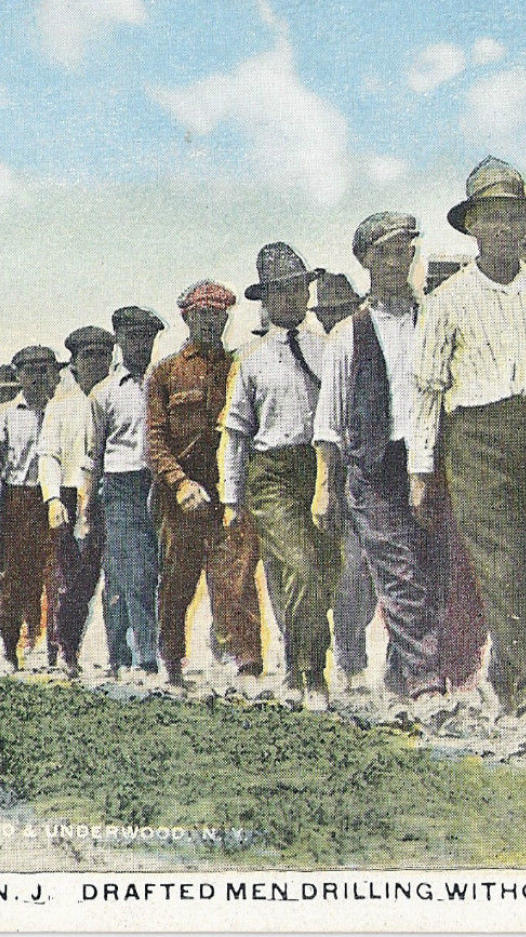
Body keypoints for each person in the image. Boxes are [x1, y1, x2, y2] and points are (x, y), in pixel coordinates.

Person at [411, 156, 526, 752]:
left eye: (514, 217)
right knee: (501, 565)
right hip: (476, 438)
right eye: (492, 218)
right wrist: (420, 469)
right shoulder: (447, 300)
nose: (504, 229)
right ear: (473, 227)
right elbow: (427, 389)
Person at [315, 212, 455, 712]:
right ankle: (425, 683)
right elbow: (330, 423)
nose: (398, 263)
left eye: (405, 252)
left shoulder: (435, 316)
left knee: (430, 570)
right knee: (399, 573)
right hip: (374, 469)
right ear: (367, 262)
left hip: (431, 464)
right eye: (387, 254)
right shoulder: (349, 334)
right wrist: (325, 487)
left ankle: (399, 678)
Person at [221, 244, 340, 710]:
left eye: (297, 289)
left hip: (321, 467)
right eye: (279, 292)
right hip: (271, 475)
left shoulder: (328, 349)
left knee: (322, 574)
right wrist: (232, 499)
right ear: (265, 301)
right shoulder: (251, 360)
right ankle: (311, 673)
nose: (290, 299)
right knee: (301, 569)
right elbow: (236, 435)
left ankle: (299, 661)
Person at [147, 280, 261, 689]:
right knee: (178, 583)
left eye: (217, 315)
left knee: (237, 580)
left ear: (226, 318)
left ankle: (247, 664)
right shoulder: (165, 373)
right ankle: (173, 662)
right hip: (182, 499)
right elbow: (156, 442)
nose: (209, 323)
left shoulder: (239, 368)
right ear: (187, 318)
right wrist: (180, 484)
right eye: (201, 315)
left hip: (227, 490)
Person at [86, 306, 167, 677]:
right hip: (120, 486)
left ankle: (125, 652)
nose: (141, 346)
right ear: (119, 340)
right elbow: (95, 453)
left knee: (145, 571)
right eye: (134, 338)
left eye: (147, 338)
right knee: (133, 571)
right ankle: (143, 656)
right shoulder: (104, 393)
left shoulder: (161, 380)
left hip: (158, 482)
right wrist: (89, 504)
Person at [312, 270, 379, 689]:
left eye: (342, 310)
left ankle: (353, 648)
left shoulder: (360, 342)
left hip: (360, 466)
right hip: (315, 472)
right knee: (337, 571)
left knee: (363, 572)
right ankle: (343, 654)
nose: (334, 319)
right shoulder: (310, 349)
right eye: (327, 313)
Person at [0, 346, 60, 670]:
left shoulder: (62, 410)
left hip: (56, 499)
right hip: (19, 500)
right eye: (31, 371)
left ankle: (54, 649)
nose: (39, 378)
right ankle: (10, 647)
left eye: (45, 371)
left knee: (56, 576)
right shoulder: (5, 416)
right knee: (15, 577)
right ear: (19, 376)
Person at [48, 325, 115, 677]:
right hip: (72, 495)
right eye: (88, 356)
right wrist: (53, 499)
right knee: (75, 580)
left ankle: (121, 655)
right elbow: (49, 456)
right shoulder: (61, 407)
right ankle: (67, 648)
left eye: (103, 355)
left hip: (113, 492)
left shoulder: (117, 394)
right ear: (74, 362)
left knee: (120, 575)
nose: (97, 363)